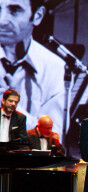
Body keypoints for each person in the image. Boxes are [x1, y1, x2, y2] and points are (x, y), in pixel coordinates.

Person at [0, 0, 65, 138]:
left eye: (14, 10)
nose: (2, 21)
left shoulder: (54, 67)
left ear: (38, 16)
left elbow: (52, 140)